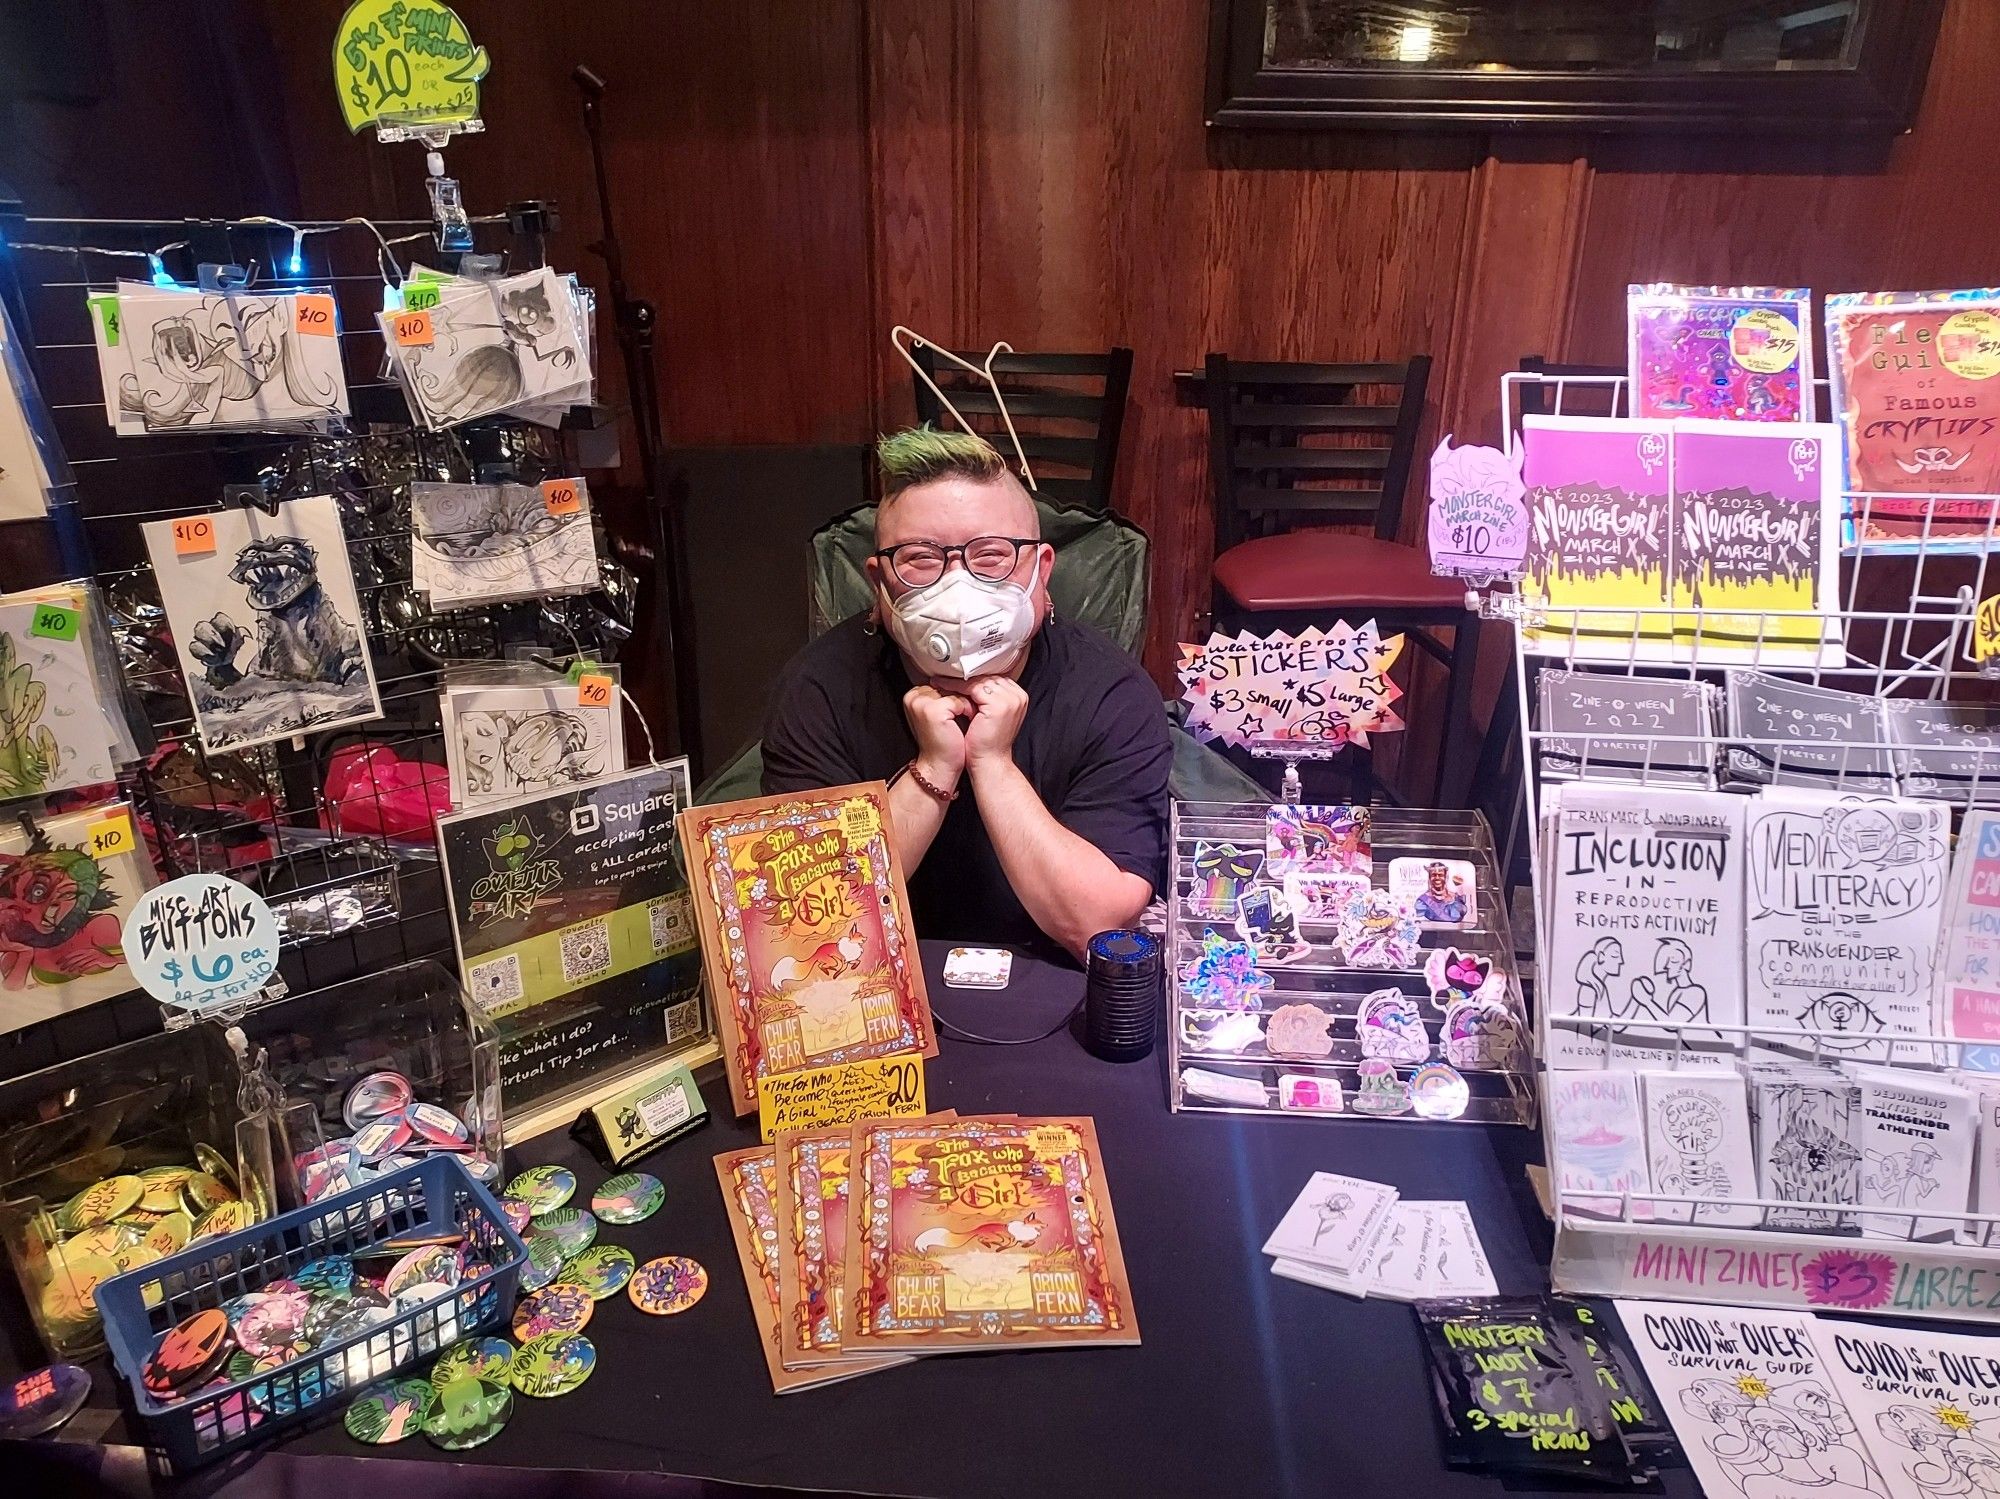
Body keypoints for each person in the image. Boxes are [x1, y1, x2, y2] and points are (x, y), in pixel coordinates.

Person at [761, 426, 1170, 961]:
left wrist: (992, 761)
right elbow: (804, 923)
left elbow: (1098, 925)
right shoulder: (817, 690)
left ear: (1042, 569)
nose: (958, 585)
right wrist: (933, 767)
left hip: (1050, 983)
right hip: (874, 982)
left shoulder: (1112, 693)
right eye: (919, 558)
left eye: (992, 555)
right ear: (877, 582)